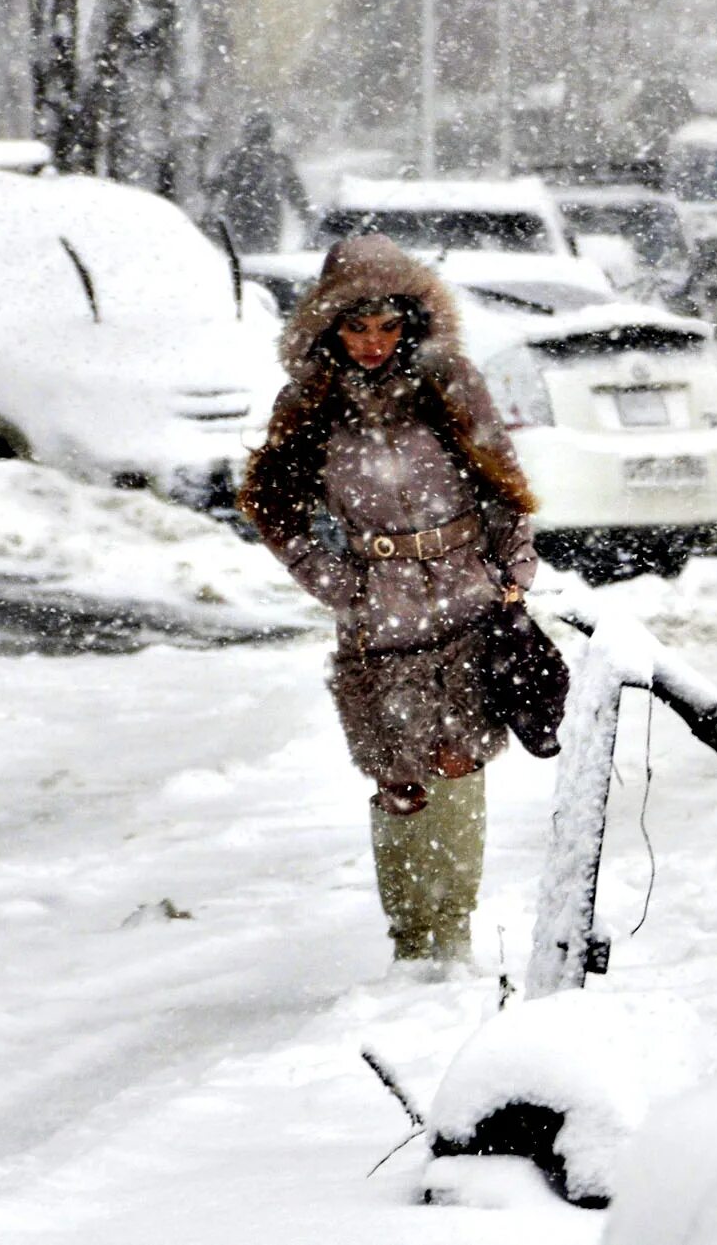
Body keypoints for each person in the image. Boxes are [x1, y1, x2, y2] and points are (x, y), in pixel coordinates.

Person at [239, 235, 540, 968]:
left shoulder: (451, 385)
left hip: (468, 599)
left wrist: (512, 569)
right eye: (355, 326)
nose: (373, 343)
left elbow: (501, 479)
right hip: (381, 619)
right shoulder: (310, 401)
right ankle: (412, 944)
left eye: (387, 325)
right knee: (400, 776)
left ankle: (454, 935)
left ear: (411, 322)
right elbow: (273, 505)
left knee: (459, 760)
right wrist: (337, 580)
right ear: (329, 328)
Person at [205, 111, 312, 253]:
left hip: (237, 223)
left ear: (246, 132)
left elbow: (213, 190)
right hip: (268, 225)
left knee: (239, 263)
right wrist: (308, 219)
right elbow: (297, 195)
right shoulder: (279, 161)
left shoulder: (233, 159)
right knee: (265, 264)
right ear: (270, 134)